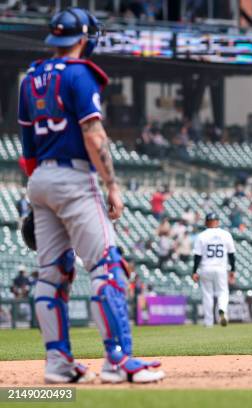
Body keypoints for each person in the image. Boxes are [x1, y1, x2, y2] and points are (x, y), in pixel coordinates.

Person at [18, 8, 163, 384]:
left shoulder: (29, 78)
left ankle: (58, 364)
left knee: (51, 277)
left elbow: (27, 150)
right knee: (107, 268)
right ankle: (118, 360)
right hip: (74, 178)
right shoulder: (80, 73)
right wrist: (112, 185)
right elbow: (94, 135)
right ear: (82, 38)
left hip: (40, 180)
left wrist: (41, 191)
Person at [192, 213, 237, 328]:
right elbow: (231, 254)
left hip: (206, 267)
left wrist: (194, 271)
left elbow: (197, 256)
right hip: (221, 268)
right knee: (223, 292)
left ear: (206, 222)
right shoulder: (225, 234)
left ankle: (208, 322)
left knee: (207, 295)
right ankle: (222, 309)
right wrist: (233, 269)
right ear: (217, 221)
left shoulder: (201, 236)